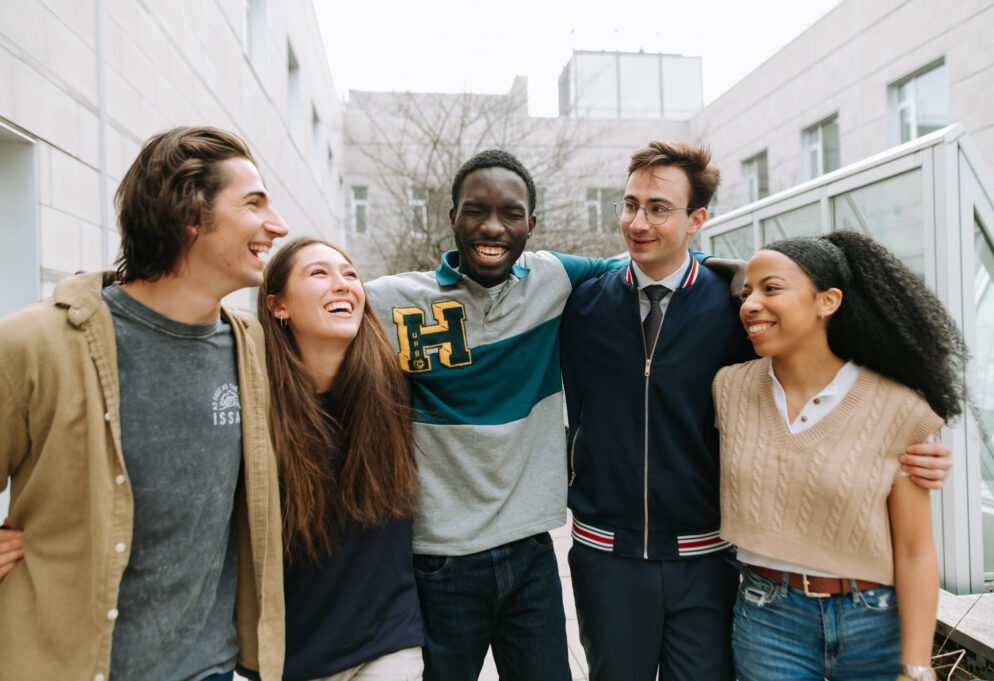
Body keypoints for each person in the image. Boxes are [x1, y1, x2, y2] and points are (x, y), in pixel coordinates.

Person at [558, 141, 953, 681]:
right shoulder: (581, 305)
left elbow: (824, 359)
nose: (638, 222)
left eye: (658, 208)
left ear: (697, 219)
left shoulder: (734, 308)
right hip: (606, 557)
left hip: (709, 561)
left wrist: (914, 440)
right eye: (630, 205)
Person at [0, 126, 289, 681]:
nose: (277, 225)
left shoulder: (249, 344)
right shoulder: (35, 343)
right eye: (254, 204)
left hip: (209, 669)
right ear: (190, 216)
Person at [364, 149, 641, 681]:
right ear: (453, 217)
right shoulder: (393, 301)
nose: (492, 226)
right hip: (438, 560)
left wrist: (734, 272)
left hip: (531, 552)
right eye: (476, 210)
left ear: (530, 225)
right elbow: (310, 301)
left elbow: (645, 272)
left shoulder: (553, 278)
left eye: (511, 213)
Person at [713, 231, 967, 681]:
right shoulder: (730, 388)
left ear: (827, 301)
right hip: (767, 619)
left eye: (771, 289)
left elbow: (914, 551)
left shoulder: (897, 408)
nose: (750, 304)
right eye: (746, 293)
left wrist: (917, 667)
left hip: (874, 621)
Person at [252, 236, 423, 681]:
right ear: (278, 306)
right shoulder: (254, 407)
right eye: (319, 273)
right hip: (292, 657)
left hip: (388, 640)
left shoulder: (394, 389)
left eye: (350, 274)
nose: (343, 283)